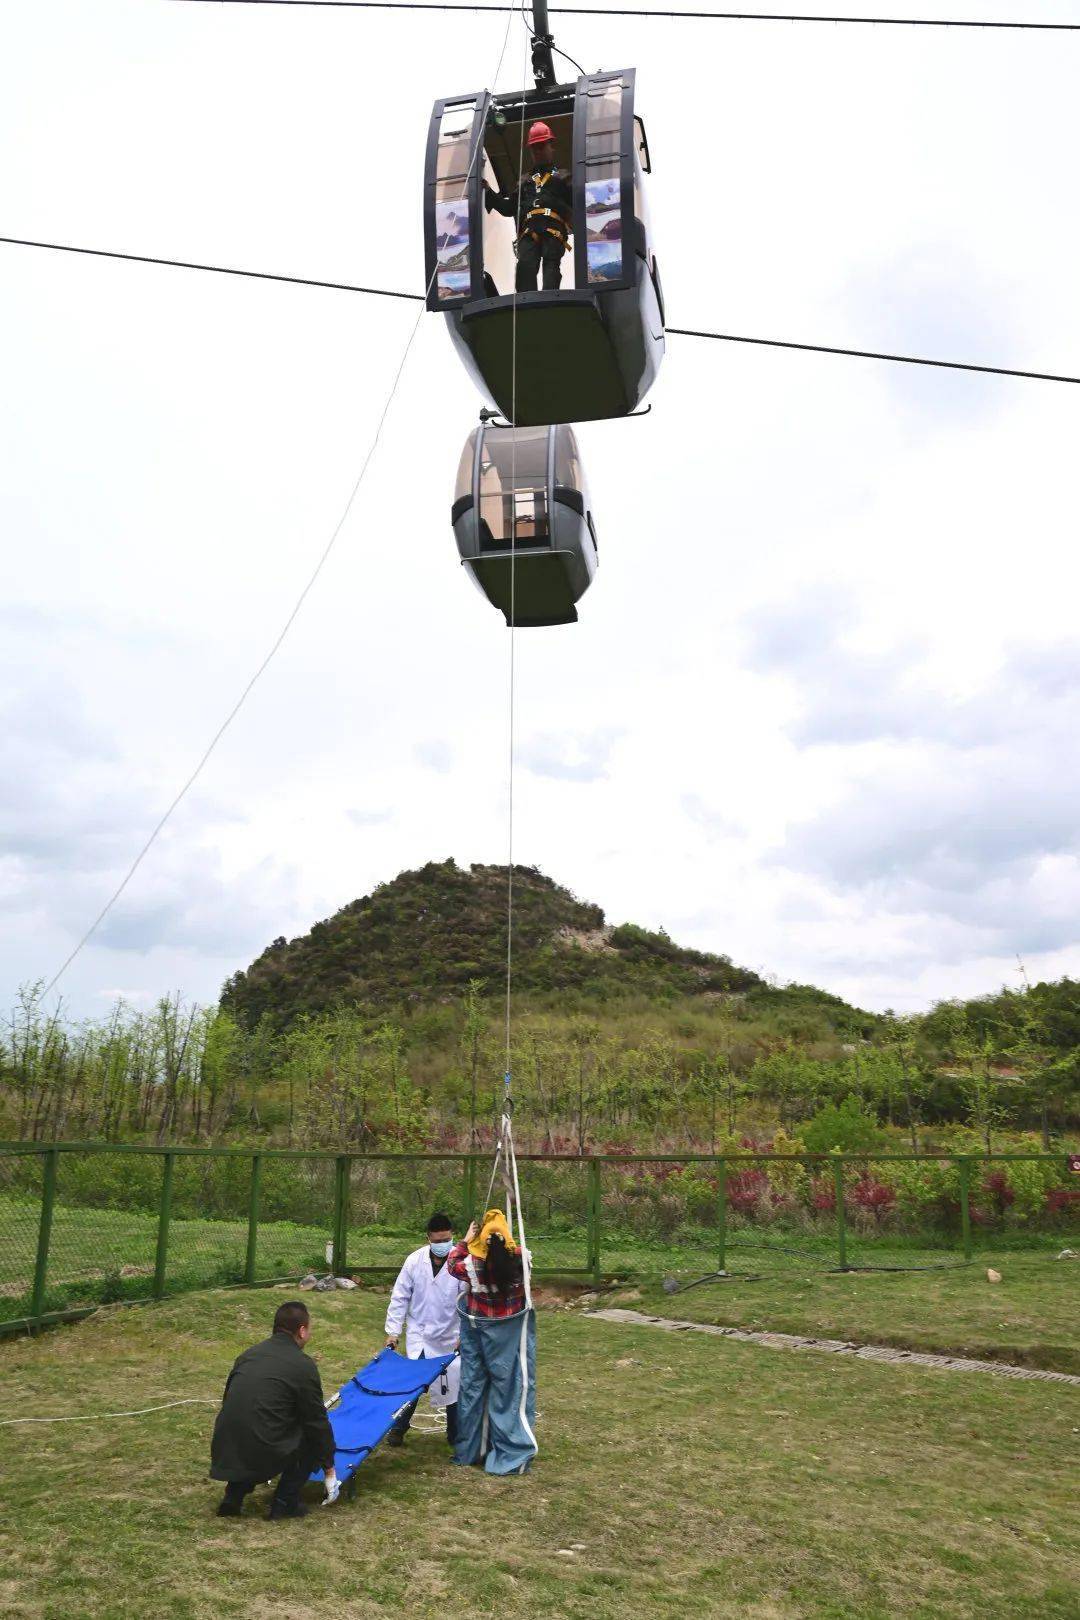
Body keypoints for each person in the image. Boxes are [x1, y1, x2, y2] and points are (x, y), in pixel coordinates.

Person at [210, 1300, 337, 1520]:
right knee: (308, 1434)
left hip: (226, 1445)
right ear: (302, 1330)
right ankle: (285, 1502)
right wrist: (329, 1468)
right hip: (262, 1446)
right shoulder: (302, 1365)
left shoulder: (248, 1355)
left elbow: (231, 1401)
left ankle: (234, 1495)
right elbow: (316, 1421)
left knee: (255, 1422)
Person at [447, 1209, 538, 1476]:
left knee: (473, 1386)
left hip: (478, 1330)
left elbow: (452, 1264)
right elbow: (517, 1253)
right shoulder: (522, 1260)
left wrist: (465, 1241)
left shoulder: (471, 1264)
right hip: (509, 1333)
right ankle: (510, 1450)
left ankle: (470, 1449)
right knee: (510, 1389)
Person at [383, 1211, 466, 1447]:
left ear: (452, 1236)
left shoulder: (460, 1263)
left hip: (449, 1335)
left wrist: (464, 1334)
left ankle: (455, 1434)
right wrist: (393, 1332)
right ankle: (399, 1428)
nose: (442, 1245)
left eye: (446, 1240)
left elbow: (468, 1300)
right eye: (438, 1241)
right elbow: (400, 1297)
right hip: (419, 1334)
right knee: (413, 1384)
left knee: (453, 1386)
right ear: (428, 1238)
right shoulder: (414, 1261)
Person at [484, 120, 573, 292]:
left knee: (551, 268)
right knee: (525, 268)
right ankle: (526, 304)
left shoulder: (564, 177)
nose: (538, 151)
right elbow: (508, 208)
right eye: (535, 148)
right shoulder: (524, 181)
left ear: (551, 146)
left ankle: (550, 302)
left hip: (553, 230)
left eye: (542, 146)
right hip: (528, 231)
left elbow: (578, 203)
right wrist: (488, 192)